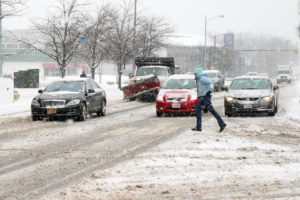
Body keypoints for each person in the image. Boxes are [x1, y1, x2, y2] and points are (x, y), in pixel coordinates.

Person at [192, 68, 226, 132]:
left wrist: (209, 91)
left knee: (201, 110)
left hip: (205, 97)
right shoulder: (199, 79)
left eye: (195, 73)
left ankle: (199, 127)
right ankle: (221, 123)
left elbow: (211, 83)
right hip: (203, 97)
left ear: (198, 73)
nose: (194, 75)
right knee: (202, 110)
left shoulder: (202, 78)